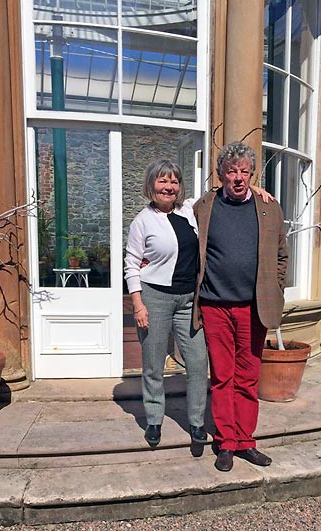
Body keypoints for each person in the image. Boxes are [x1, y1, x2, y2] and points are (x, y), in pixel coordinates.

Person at [192, 141, 288, 472]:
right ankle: (225, 443)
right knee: (222, 377)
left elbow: (281, 254)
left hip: (253, 308)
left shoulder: (269, 208)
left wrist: (274, 286)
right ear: (220, 174)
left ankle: (245, 441)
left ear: (252, 175)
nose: (238, 177)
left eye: (245, 172)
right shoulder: (203, 207)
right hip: (215, 307)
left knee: (247, 377)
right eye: (232, 171)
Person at [124, 159, 209, 449]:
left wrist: (258, 191)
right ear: (152, 185)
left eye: (173, 181)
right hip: (155, 298)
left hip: (189, 300)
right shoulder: (142, 221)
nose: (168, 186)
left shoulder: (189, 211)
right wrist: (138, 305)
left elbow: (220, 198)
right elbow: (132, 265)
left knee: (198, 362)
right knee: (153, 364)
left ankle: (197, 422)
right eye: (162, 181)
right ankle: (154, 419)